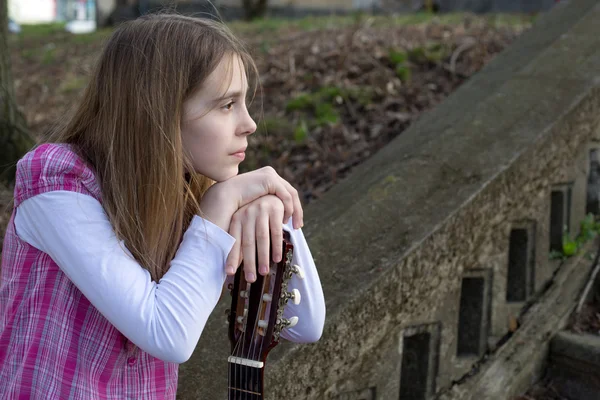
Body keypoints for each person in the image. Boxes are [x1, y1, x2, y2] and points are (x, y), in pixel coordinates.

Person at [0, 13, 325, 399]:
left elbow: (303, 327)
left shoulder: (192, 188)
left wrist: (277, 212)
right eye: (226, 105)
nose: (249, 123)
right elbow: (166, 333)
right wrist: (221, 203)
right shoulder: (59, 183)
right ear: (157, 111)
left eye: (244, 102)